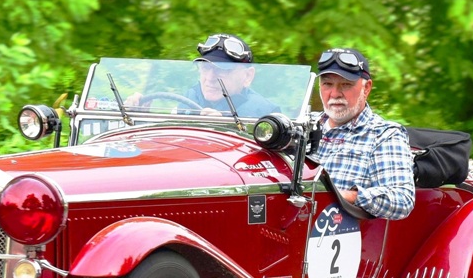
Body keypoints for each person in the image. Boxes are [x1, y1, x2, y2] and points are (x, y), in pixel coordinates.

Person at [311, 47, 415, 220]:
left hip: (344, 235)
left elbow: (402, 199)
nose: (335, 94)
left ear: (366, 88)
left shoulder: (384, 135)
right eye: (327, 84)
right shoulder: (301, 126)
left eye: (345, 84)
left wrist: (344, 196)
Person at [126, 33, 280, 118]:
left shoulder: (267, 114)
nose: (210, 77)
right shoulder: (189, 98)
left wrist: (225, 129)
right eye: (205, 68)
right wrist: (140, 116)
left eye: (222, 70)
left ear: (247, 77)